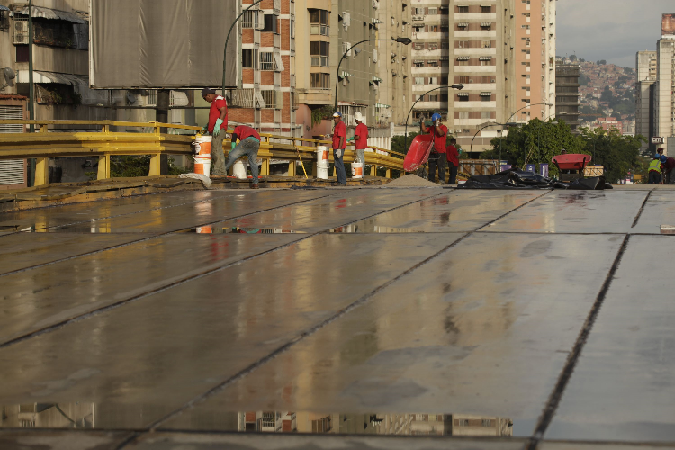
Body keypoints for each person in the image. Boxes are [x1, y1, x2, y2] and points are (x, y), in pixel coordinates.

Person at [202, 88, 229, 176]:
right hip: (214, 129)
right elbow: (215, 115)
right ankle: (222, 171)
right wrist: (208, 126)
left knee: (215, 150)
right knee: (218, 150)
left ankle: (217, 171)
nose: (206, 101)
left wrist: (218, 124)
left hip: (218, 129)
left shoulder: (219, 99)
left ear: (208, 95)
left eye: (205, 98)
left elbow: (223, 111)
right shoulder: (214, 101)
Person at [226, 125, 261, 189]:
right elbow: (258, 142)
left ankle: (222, 172)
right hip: (256, 143)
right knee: (253, 163)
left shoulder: (238, 128)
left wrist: (233, 148)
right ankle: (255, 183)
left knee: (232, 155)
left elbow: (234, 136)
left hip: (247, 140)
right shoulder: (252, 130)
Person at [420, 112, 448, 183]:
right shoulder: (432, 128)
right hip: (432, 150)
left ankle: (441, 180)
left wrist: (437, 126)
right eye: (433, 122)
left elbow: (441, 133)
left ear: (439, 120)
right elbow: (424, 130)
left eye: (435, 121)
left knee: (440, 167)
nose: (434, 123)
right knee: (431, 167)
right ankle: (431, 181)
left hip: (440, 151)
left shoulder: (443, 127)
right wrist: (422, 121)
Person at [332, 112, 347, 185]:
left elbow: (342, 138)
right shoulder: (338, 125)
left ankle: (342, 181)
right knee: (337, 165)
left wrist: (339, 149)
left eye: (336, 118)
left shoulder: (341, 125)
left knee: (340, 164)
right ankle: (339, 181)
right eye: (334, 118)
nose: (334, 119)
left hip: (339, 147)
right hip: (336, 146)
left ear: (340, 117)